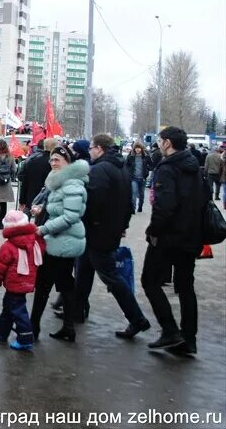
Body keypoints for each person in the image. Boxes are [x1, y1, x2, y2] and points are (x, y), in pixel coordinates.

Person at [75, 134, 151, 339]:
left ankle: (137, 319)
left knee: (110, 276)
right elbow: (128, 202)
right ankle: (76, 310)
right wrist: (122, 225)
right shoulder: (120, 167)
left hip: (98, 231)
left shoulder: (100, 169)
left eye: (91, 148)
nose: (89, 151)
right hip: (109, 229)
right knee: (83, 271)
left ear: (99, 148)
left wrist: (89, 221)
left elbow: (94, 201)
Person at [142, 127, 206, 355]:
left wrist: (153, 231)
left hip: (168, 238)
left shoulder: (167, 168)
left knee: (150, 281)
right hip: (192, 236)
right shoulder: (194, 166)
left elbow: (164, 206)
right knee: (185, 287)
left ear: (167, 143)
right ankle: (188, 339)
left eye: (160, 140)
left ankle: (169, 330)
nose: (159, 144)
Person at [30, 146, 88, 342]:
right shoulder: (59, 181)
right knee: (59, 284)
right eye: (52, 159)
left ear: (68, 163)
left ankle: (34, 327)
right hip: (57, 240)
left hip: (63, 242)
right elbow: (59, 209)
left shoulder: (72, 184)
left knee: (49, 285)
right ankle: (64, 328)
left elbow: (70, 216)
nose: (53, 163)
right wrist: (42, 209)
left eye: (58, 160)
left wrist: (43, 229)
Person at [0, 210, 44, 351]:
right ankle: (1, 330)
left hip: (14, 284)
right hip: (28, 280)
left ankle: (25, 339)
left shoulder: (8, 246)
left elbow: (0, 269)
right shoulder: (34, 241)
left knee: (18, 311)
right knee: (8, 307)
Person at [17, 138, 56, 218]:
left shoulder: (32, 160)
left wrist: (22, 200)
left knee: (25, 220)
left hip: (31, 198)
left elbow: (25, 182)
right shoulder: (55, 164)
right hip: (47, 200)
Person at [126, 142, 152, 212]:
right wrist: (128, 172)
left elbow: (151, 165)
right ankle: (133, 208)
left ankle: (140, 206)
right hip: (133, 178)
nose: (137, 149)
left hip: (143, 178)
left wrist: (147, 169)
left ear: (141, 149)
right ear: (134, 149)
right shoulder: (131, 156)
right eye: (136, 148)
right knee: (134, 193)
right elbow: (126, 165)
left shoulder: (146, 156)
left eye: (139, 148)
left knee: (141, 194)